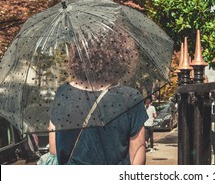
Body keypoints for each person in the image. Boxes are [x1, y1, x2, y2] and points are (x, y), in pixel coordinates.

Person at [48, 30, 148, 165]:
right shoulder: (130, 97)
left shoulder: (63, 93)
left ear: (77, 56)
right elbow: (138, 152)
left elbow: (54, 148)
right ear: (120, 56)